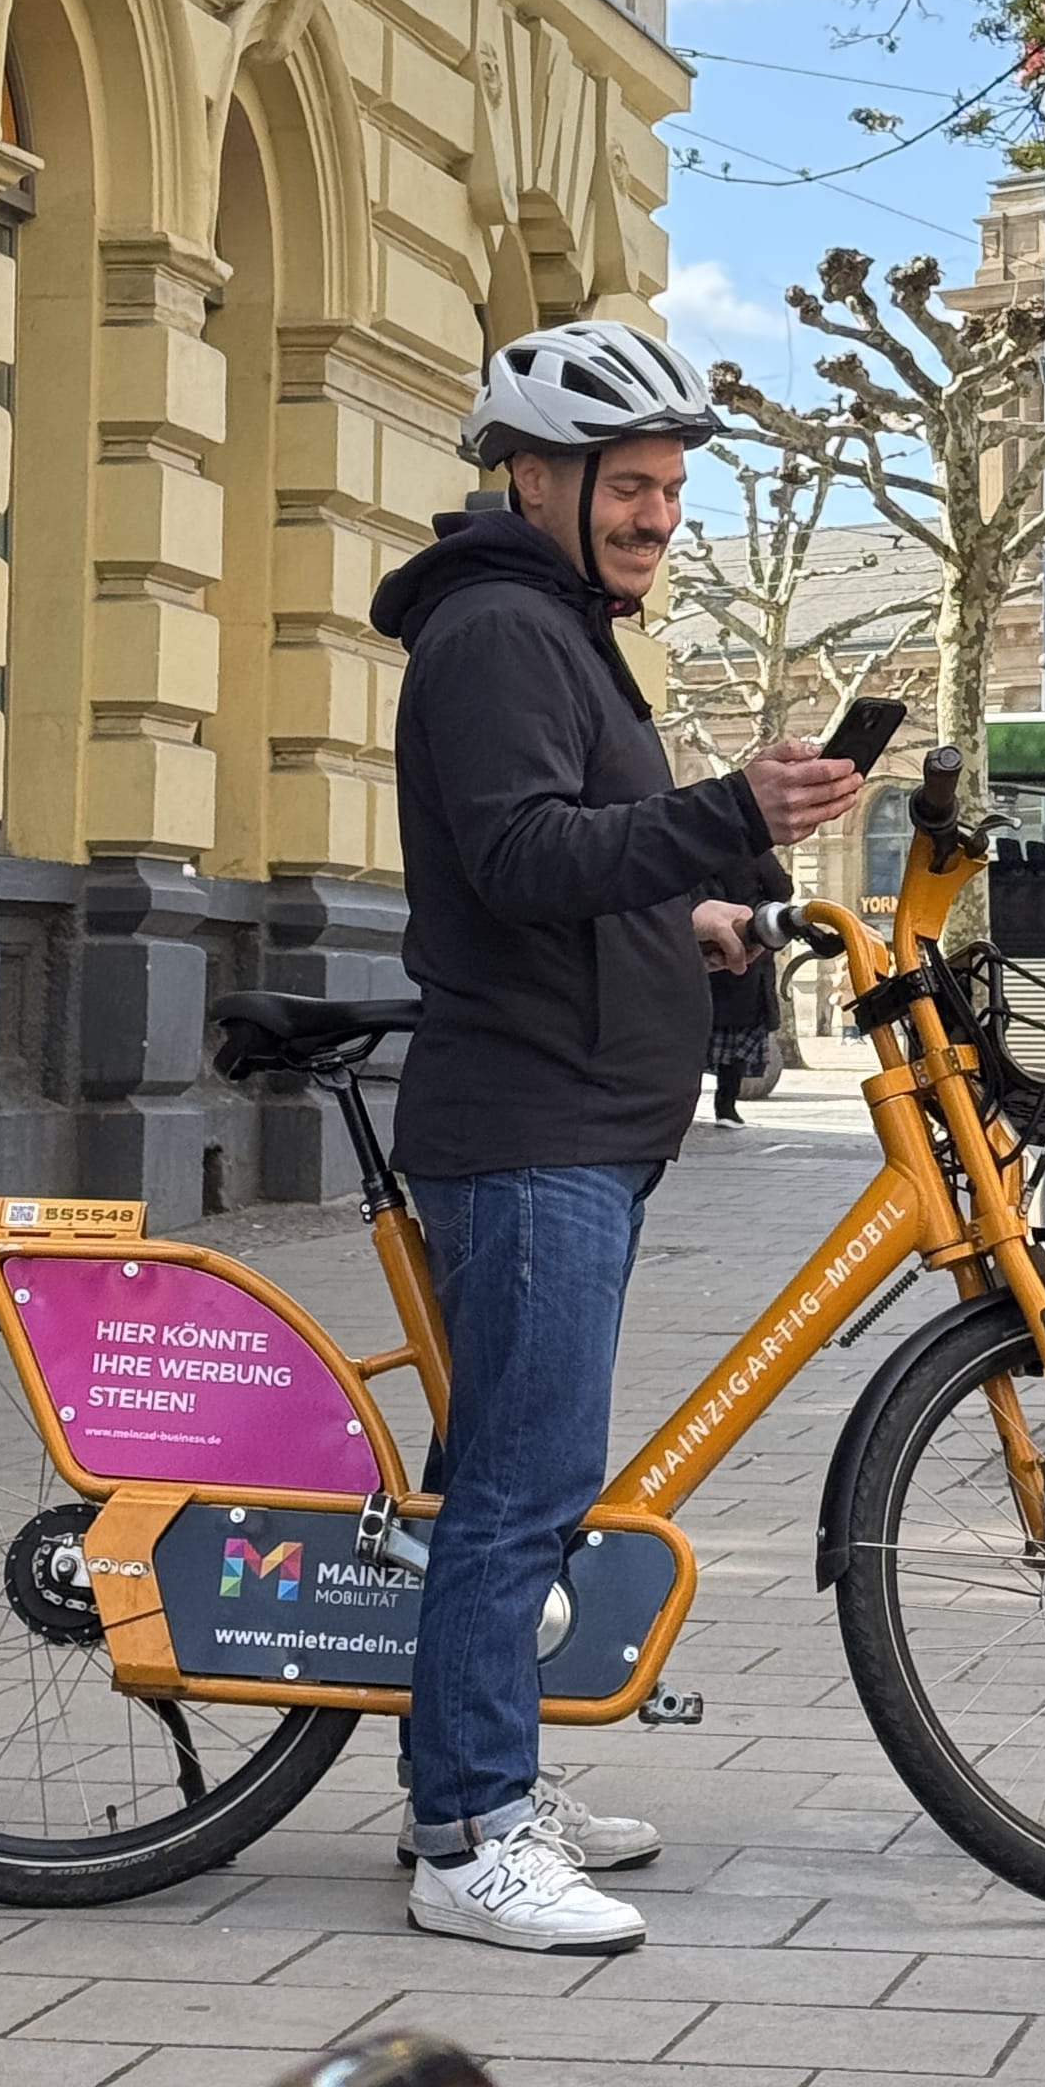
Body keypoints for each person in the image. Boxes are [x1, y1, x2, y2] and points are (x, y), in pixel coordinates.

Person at [368, 319, 863, 1954]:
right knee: (525, 1482)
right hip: (529, 1129)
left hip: (568, 1117)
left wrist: (697, 915)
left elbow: (573, 863)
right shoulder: (504, 631)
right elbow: (517, 857)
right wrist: (730, 809)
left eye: (666, 487)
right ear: (535, 475)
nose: (657, 515)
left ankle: (479, 1775)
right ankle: (470, 1834)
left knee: (508, 1476)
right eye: (629, 484)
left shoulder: (555, 628)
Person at [702, 848, 791, 1125]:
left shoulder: (697, 842)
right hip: (745, 949)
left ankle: (683, 1107)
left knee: (696, 1033)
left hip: (700, 946)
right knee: (737, 1040)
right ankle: (725, 1107)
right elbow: (781, 887)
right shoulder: (752, 850)